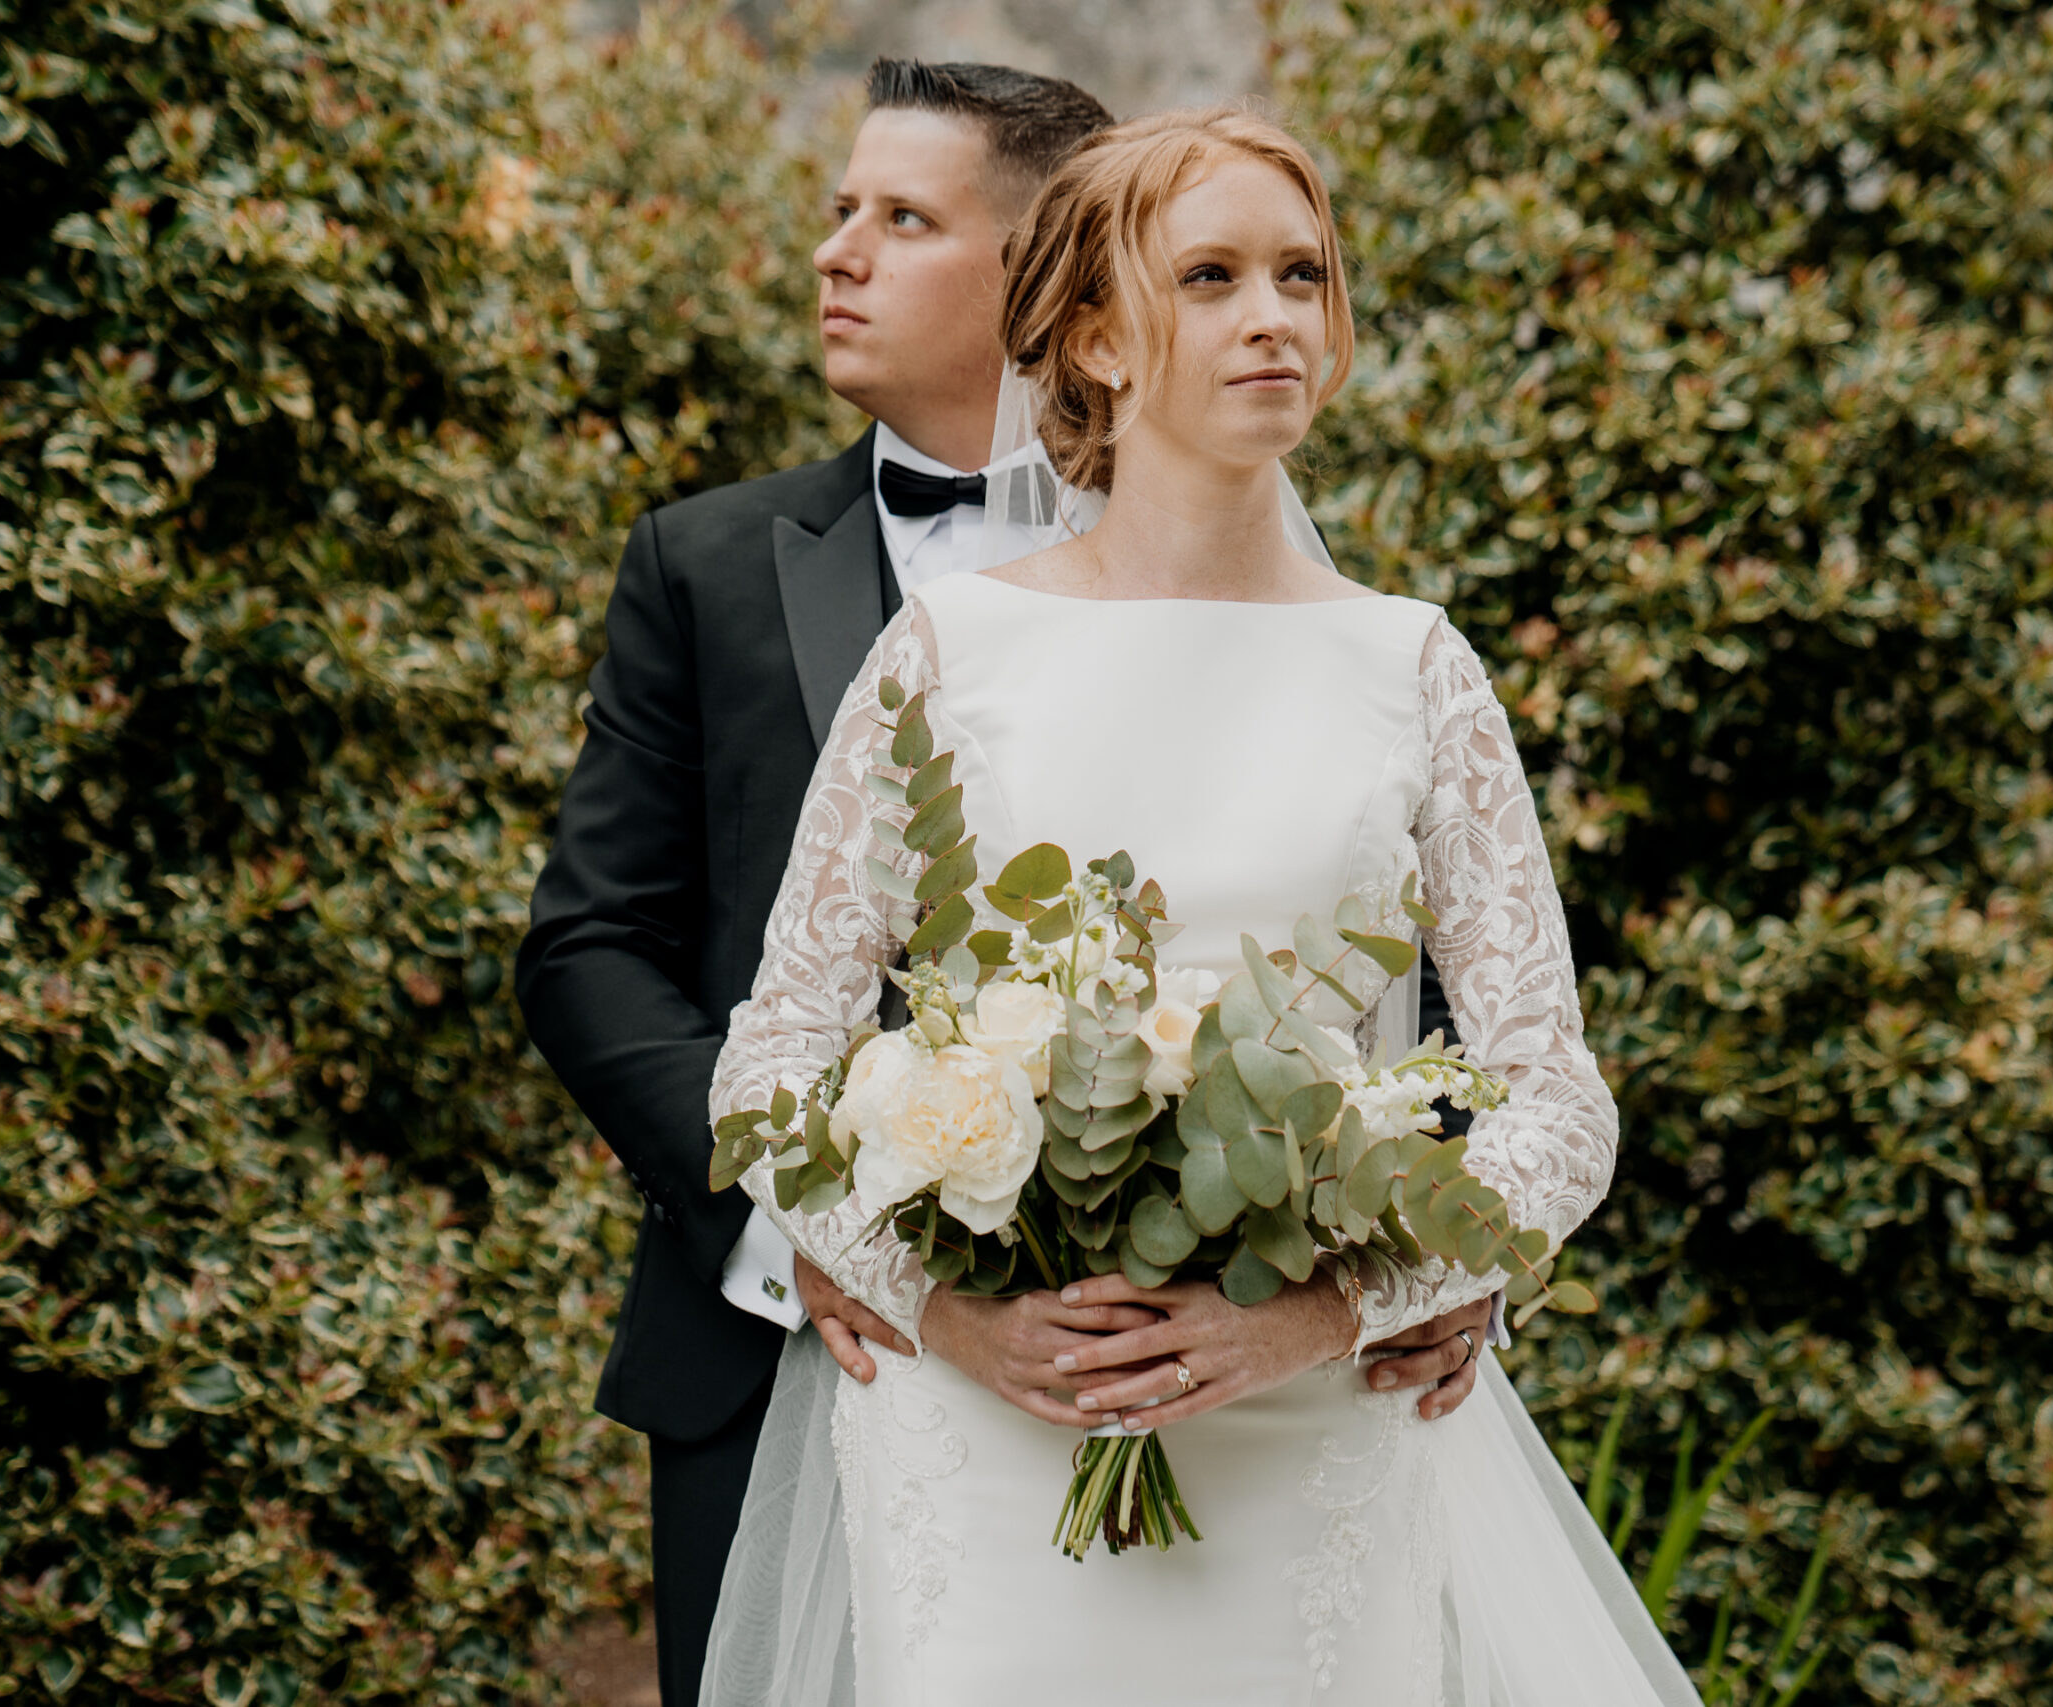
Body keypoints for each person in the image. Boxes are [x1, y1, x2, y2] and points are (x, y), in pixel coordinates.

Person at [517, 63, 1496, 1707]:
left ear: (1055, 270)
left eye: (901, 219)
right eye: (843, 211)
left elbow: (1447, 1000)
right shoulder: (705, 564)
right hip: (781, 1342)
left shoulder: (1345, 639)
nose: (838, 252)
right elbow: (590, 948)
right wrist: (824, 1236)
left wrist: (1425, 1268)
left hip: (1263, 1373)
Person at [697, 109, 1700, 1704]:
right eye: (1214, 276)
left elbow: (1554, 1091)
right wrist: (942, 1310)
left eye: (1302, 275)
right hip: (987, 1429)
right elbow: (771, 1063)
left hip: (1311, 1431)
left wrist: (1348, 1302)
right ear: (1092, 339)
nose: (1275, 318)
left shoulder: (1416, 671)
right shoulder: (948, 657)